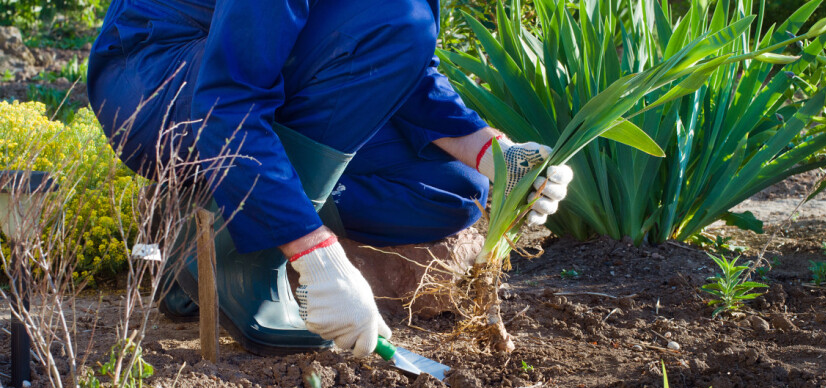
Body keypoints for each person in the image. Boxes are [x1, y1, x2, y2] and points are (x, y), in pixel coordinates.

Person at [87, 0, 572, 359]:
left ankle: (216, 213)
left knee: (453, 188)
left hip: (250, 74)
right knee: (394, 20)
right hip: (160, 81)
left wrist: (498, 155)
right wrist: (317, 259)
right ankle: (246, 257)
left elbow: (407, 69)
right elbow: (228, 100)